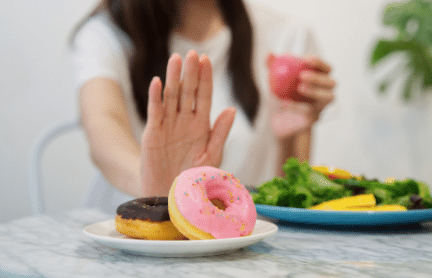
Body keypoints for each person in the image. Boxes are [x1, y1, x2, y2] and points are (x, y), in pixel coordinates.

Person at [71, 0, 336, 214]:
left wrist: (289, 137)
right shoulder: (106, 32)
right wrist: (154, 186)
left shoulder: (288, 36)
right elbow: (103, 125)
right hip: (126, 240)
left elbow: (286, 197)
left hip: (234, 247)